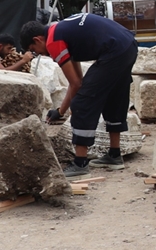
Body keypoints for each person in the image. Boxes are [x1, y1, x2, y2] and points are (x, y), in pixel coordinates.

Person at [20, 14, 138, 176]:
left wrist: (61, 111)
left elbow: (76, 85)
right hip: (128, 44)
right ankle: (114, 155)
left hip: (115, 49)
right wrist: (61, 110)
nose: (41, 54)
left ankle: (80, 163)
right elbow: (79, 81)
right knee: (114, 96)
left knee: (82, 103)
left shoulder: (53, 42)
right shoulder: (62, 31)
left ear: (38, 39)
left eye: (35, 50)